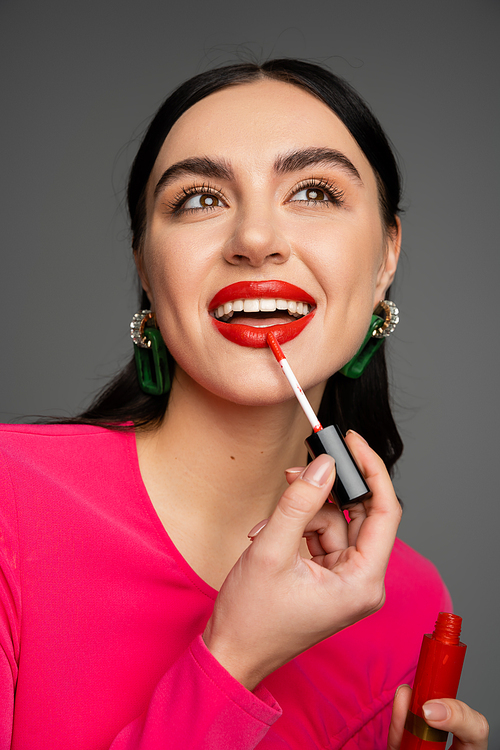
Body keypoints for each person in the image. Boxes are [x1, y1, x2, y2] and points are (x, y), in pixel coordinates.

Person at [0, 60, 489, 749]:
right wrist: (231, 658)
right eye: (200, 200)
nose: (255, 240)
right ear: (145, 265)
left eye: (314, 191)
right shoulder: (9, 504)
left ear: (387, 254)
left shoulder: (403, 600)